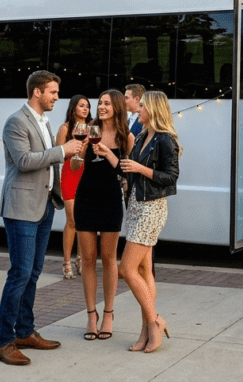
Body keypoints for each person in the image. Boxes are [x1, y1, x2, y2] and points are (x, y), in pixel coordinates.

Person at [0, 71, 82, 366]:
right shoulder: (16, 122)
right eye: (53, 92)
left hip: (44, 205)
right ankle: (4, 342)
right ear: (37, 92)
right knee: (19, 273)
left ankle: (25, 332)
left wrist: (67, 158)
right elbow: (23, 161)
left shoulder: (45, 122)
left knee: (33, 273)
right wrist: (62, 150)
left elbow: (48, 162)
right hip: (21, 208)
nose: (57, 97)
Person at [118, 91, 180, 353]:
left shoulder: (165, 140)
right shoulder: (143, 136)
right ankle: (145, 331)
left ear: (153, 109)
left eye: (142, 106)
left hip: (151, 209)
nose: (138, 109)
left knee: (126, 269)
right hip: (135, 205)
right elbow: (128, 167)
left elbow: (171, 177)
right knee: (144, 271)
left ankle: (155, 321)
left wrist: (140, 169)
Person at [75, 89, 134, 341]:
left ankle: (108, 313)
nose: (101, 107)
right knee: (88, 259)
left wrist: (108, 153)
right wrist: (79, 150)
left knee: (109, 259)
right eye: (100, 103)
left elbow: (126, 172)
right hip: (85, 198)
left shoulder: (126, 137)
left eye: (107, 103)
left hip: (110, 200)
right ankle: (91, 315)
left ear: (117, 107)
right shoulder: (88, 129)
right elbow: (75, 165)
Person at [55, 95, 91, 280]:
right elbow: (57, 155)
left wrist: (87, 147)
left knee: (84, 221)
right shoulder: (65, 128)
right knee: (72, 220)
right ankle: (66, 262)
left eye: (87, 106)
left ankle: (81, 259)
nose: (85, 109)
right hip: (70, 174)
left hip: (87, 175)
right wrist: (73, 149)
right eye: (81, 105)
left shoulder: (92, 128)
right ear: (73, 108)